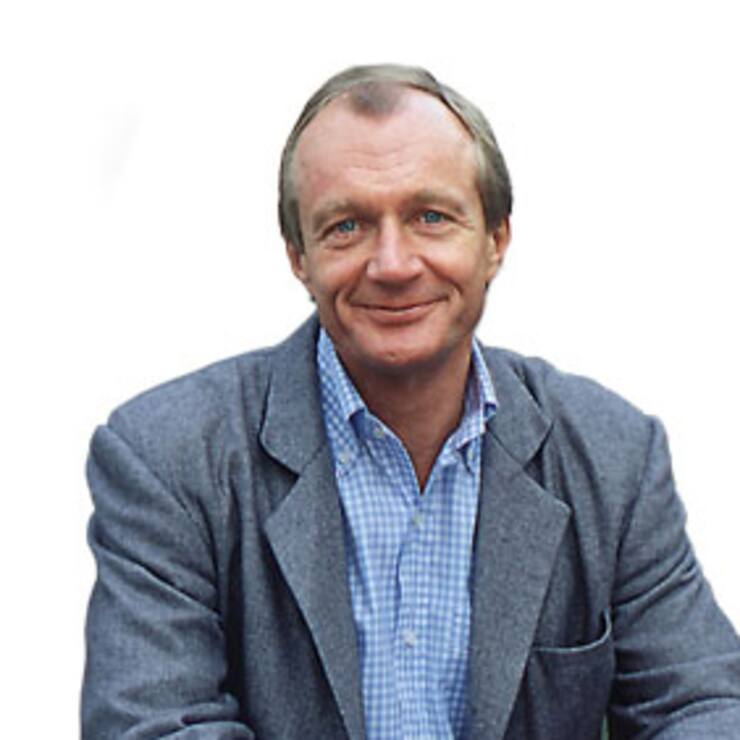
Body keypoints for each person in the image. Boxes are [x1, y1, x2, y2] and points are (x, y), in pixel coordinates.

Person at [82, 64, 740, 739]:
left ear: (496, 240)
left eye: (431, 217)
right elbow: (154, 724)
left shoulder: (612, 455)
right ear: (298, 256)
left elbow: (697, 704)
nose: (393, 265)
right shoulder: (169, 460)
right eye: (347, 226)